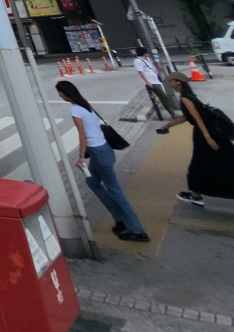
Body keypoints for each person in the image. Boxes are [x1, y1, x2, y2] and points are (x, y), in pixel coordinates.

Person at [56, 80, 148, 242]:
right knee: (93, 182)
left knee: (116, 191)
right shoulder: (85, 105)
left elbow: (82, 134)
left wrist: (81, 156)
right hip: (104, 150)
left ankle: (137, 229)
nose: (59, 95)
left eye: (60, 92)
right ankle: (120, 219)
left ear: (66, 93)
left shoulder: (76, 110)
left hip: (99, 154)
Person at [157, 72, 234, 207]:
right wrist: (168, 125)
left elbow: (197, 118)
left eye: (171, 81)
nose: (169, 84)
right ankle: (195, 194)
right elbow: (187, 116)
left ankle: (196, 195)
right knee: (215, 163)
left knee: (202, 165)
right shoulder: (189, 96)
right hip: (207, 133)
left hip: (205, 135)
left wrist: (207, 137)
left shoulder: (185, 98)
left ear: (178, 82)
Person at [134, 47, 178, 119]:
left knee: (163, 96)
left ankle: (172, 113)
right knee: (163, 97)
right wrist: (147, 82)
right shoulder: (138, 61)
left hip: (155, 81)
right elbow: (140, 72)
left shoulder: (145, 60)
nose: (148, 54)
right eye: (147, 52)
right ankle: (172, 114)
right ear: (144, 53)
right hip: (151, 82)